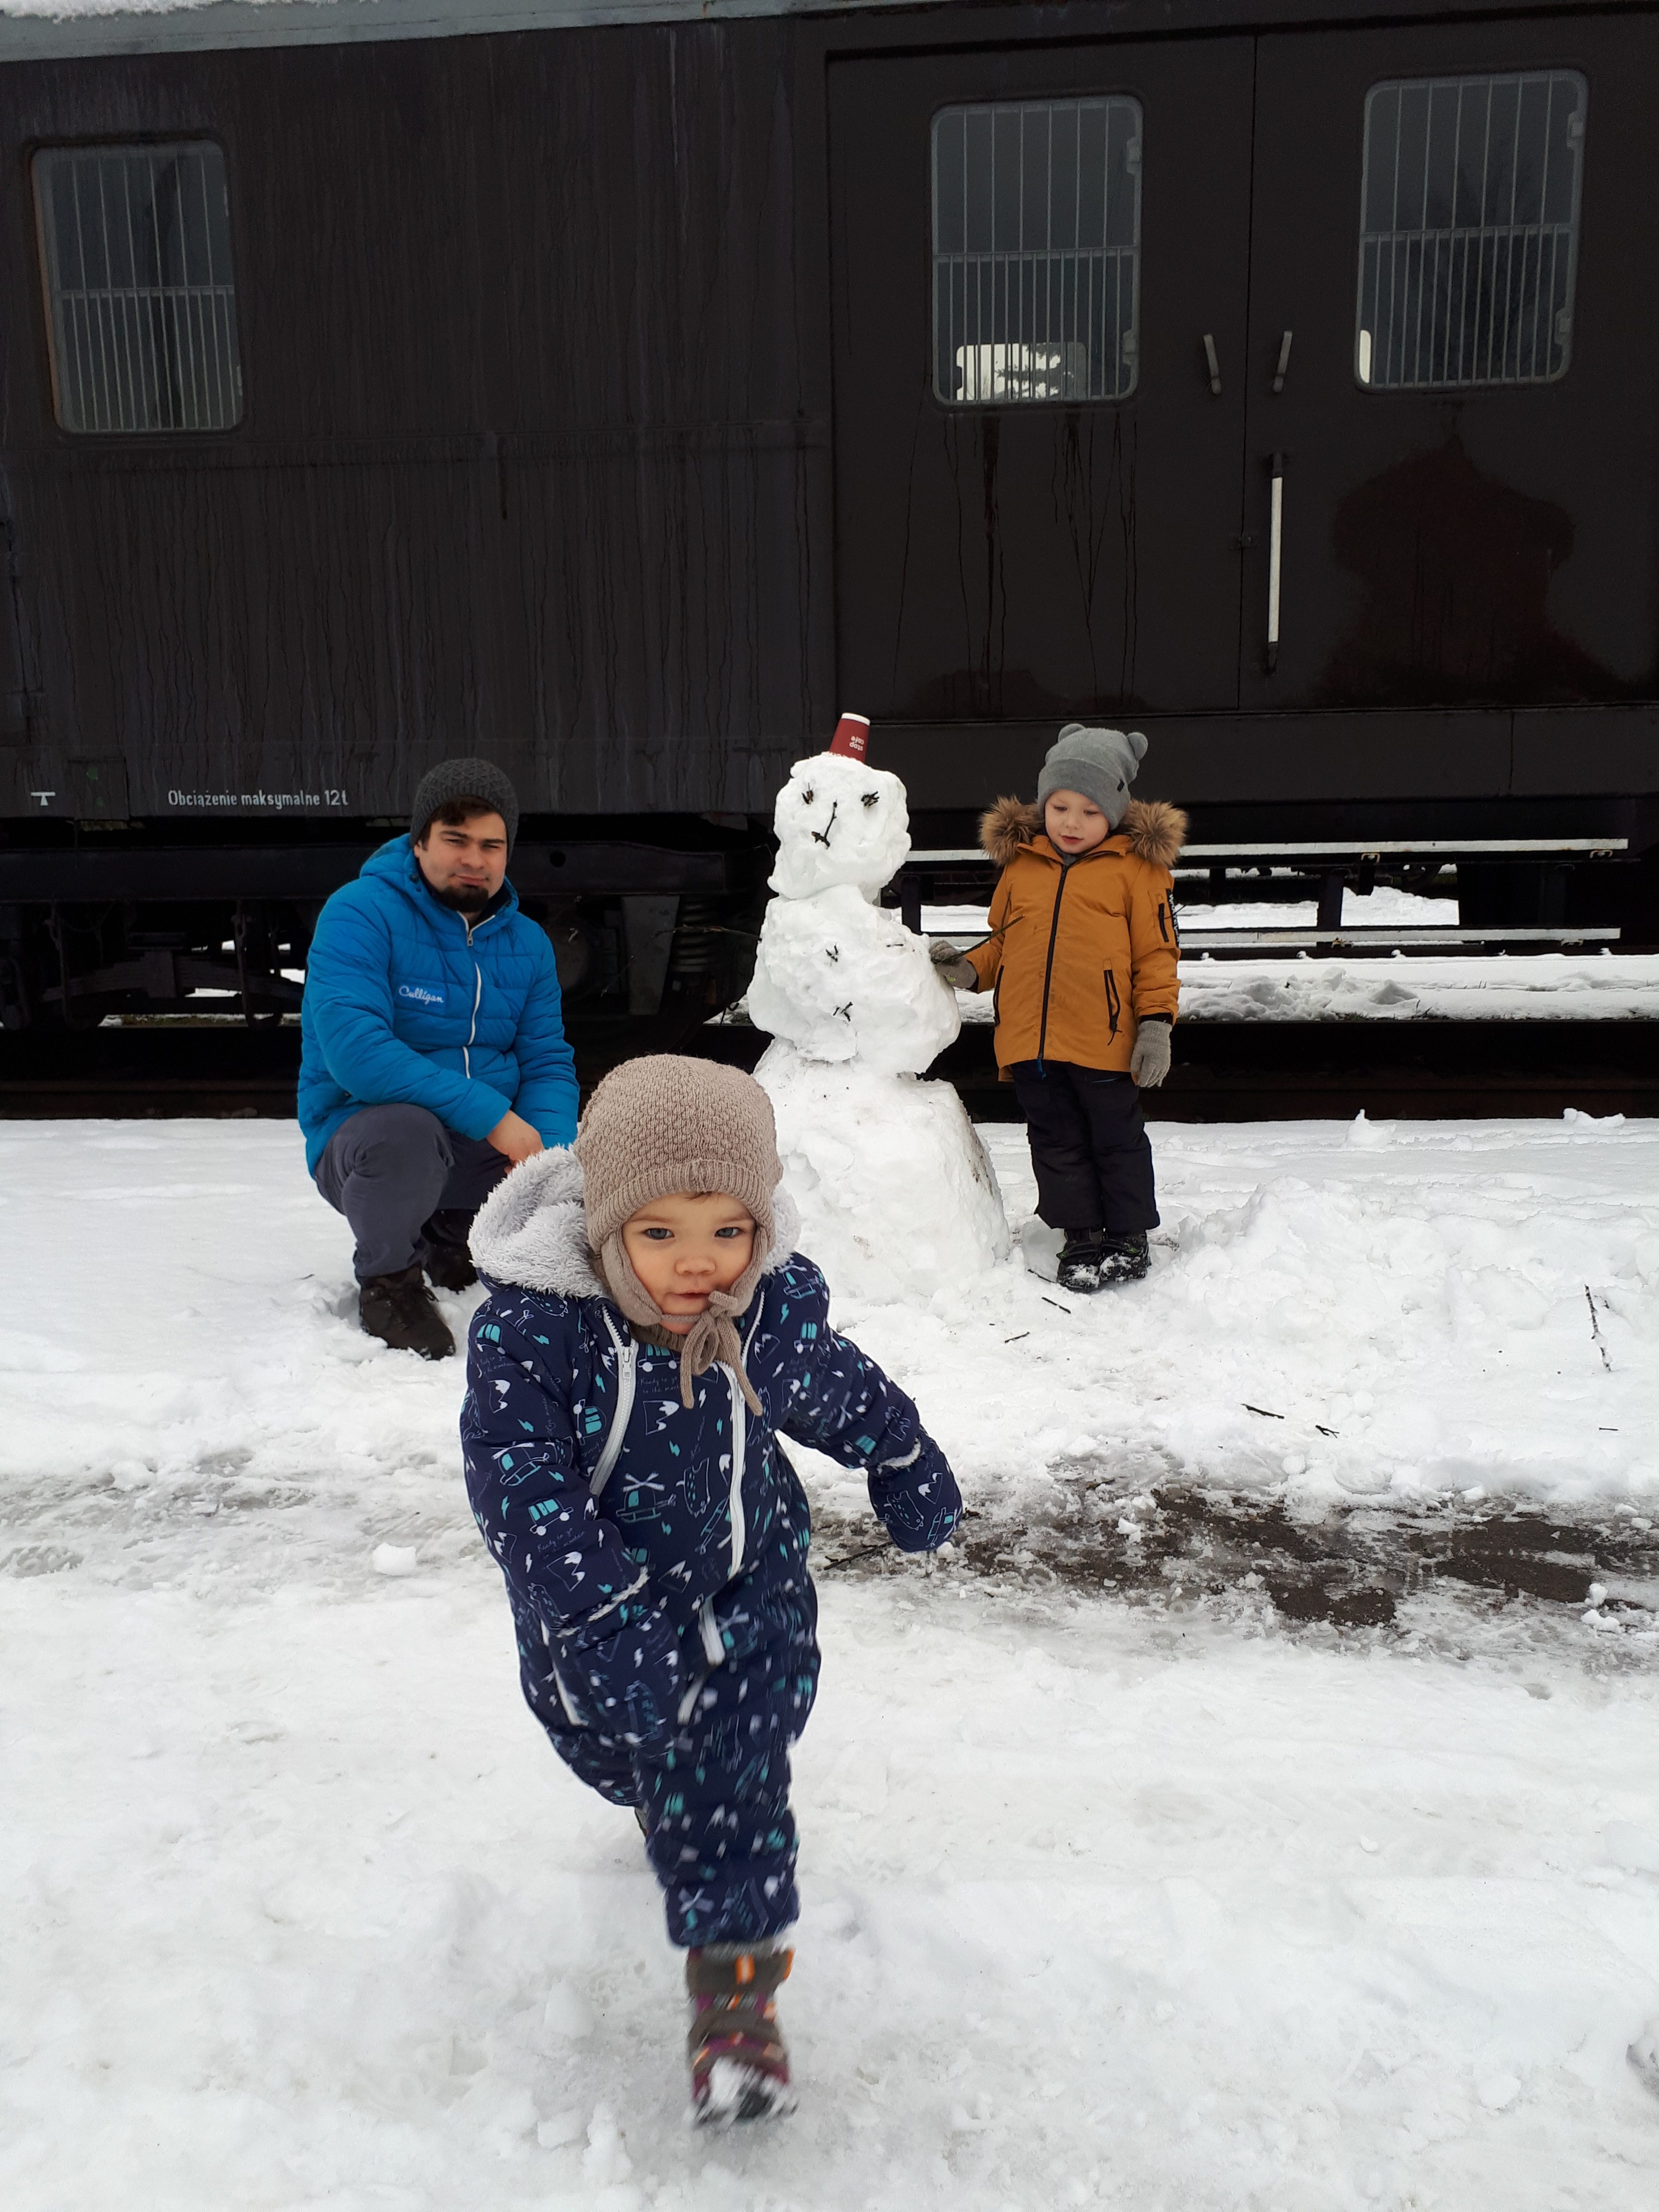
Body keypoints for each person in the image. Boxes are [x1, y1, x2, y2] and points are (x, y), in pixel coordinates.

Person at [461, 1055, 961, 2125]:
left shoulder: (761, 1313)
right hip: (598, 1613)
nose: (699, 1262)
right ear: (605, 1224)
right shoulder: (539, 1331)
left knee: (731, 1770)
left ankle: (737, 2003)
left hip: (749, 1593)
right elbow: (519, 1481)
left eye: (728, 1229)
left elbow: (836, 1386)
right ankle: (661, 1791)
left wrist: (901, 1455)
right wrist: (600, 1617)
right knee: (624, 1757)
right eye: (661, 1231)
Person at [298, 757, 577, 1359]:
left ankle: (453, 1232)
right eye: (456, 840)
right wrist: (494, 1117)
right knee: (406, 1134)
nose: (475, 859)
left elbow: (547, 1060)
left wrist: (548, 1157)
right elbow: (358, 1054)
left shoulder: (527, 942)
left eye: (491, 845)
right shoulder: (359, 913)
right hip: (367, 1142)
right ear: (420, 842)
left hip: (473, 1147)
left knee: (575, 1151)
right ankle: (389, 1283)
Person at [931, 724, 1186, 1294]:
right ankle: (1082, 1238)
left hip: (1106, 1041)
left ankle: (1128, 1238)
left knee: (1116, 1139)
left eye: (1090, 811)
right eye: (1060, 807)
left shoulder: (1138, 870)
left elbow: (1157, 956)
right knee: (1055, 1141)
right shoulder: (1022, 865)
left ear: (1115, 811)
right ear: (1043, 803)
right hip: (1032, 1043)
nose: (1072, 822)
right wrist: (968, 968)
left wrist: (1155, 1028)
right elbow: (1002, 945)